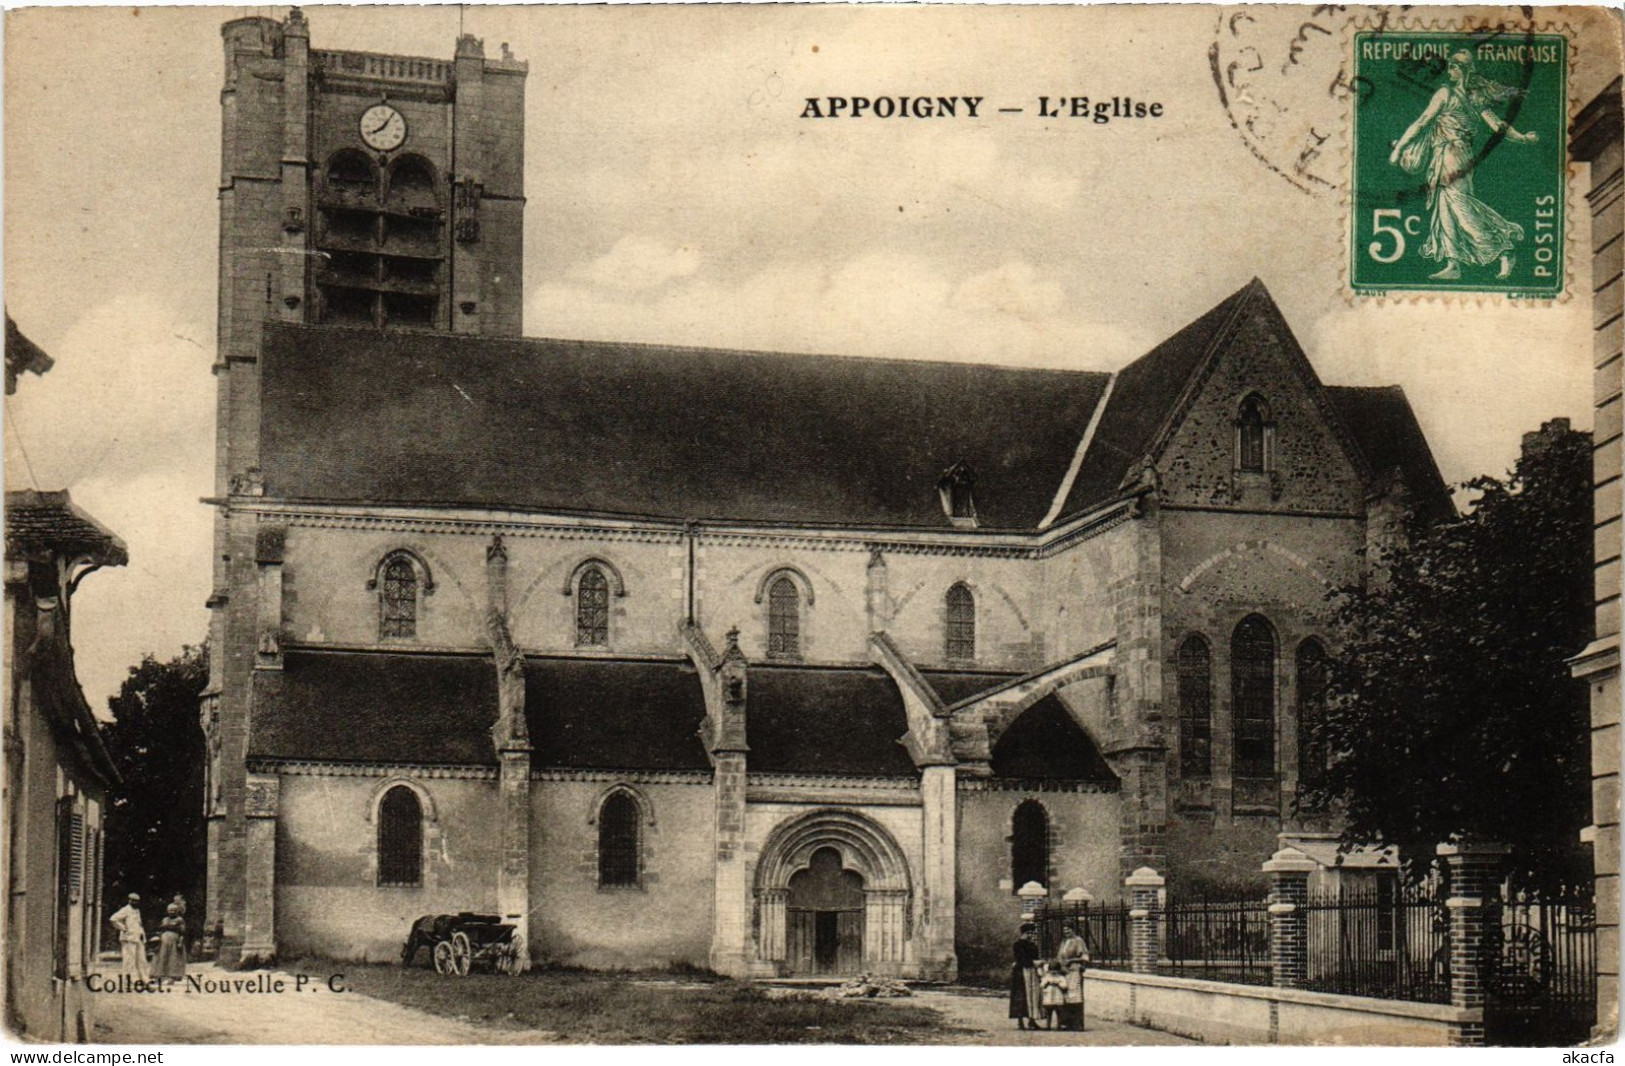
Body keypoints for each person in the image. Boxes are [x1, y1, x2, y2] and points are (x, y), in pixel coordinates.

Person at [1388, 49, 1539, 281]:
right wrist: (1523, 138)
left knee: (1459, 204)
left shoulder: (1457, 95)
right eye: (1450, 66)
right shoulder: (1458, 94)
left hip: (1455, 154)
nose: (1450, 71)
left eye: (1455, 67)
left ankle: (1503, 248)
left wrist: (1522, 138)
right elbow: (1424, 122)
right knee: (1445, 207)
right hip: (1445, 154)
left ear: (1464, 71)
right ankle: (1453, 264)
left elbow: (1497, 125)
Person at [1055, 922, 1091, 1031]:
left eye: (1068, 930)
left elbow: (1085, 956)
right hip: (1064, 972)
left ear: (1073, 930)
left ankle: (1078, 1024)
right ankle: (1067, 1023)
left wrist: (1072, 960)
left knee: (1075, 996)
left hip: (1074, 971)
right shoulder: (1064, 942)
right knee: (1065, 997)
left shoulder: (1078, 941)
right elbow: (1059, 956)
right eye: (1064, 930)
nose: (1066, 932)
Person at [1008, 922, 1043, 1030]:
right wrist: (1034, 962)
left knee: (1033, 996)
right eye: (1031, 933)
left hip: (1032, 972)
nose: (1032, 936)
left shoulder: (1032, 945)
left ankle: (1032, 1020)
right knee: (1021, 996)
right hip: (1021, 973)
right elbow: (1021, 959)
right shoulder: (1018, 945)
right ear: (1026, 933)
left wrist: (1037, 963)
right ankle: (1020, 1021)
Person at [109, 894, 149, 981]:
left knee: (142, 959)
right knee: (129, 960)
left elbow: (138, 924)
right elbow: (113, 919)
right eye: (133, 900)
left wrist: (142, 934)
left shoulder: (137, 910)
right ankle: (127, 980)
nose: (135, 902)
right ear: (129, 900)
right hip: (128, 938)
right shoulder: (126, 910)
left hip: (138, 937)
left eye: (137, 901)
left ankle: (144, 979)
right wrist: (123, 928)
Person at [153, 903, 188, 981]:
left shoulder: (180, 920)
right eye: (170, 910)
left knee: (174, 957)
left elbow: (182, 932)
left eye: (174, 910)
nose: (172, 912)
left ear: (177, 911)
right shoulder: (165, 919)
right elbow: (161, 930)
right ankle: (161, 974)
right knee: (163, 956)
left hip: (174, 942)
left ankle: (174, 975)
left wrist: (180, 942)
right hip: (164, 941)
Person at [1039, 961, 1068, 1030]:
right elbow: (1042, 985)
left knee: (1059, 1013)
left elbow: (1065, 986)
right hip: (1049, 998)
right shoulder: (1047, 977)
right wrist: (1047, 983)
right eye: (1052, 971)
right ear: (1049, 971)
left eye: (1056, 971)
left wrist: (1058, 984)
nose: (1054, 973)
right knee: (1048, 1013)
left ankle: (1059, 1025)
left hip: (1058, 997)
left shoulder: (1061, 978)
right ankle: (1048, 1025)